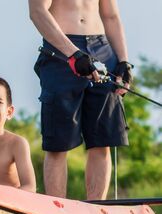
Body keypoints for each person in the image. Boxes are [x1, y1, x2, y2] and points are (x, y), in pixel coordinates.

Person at [29, 0, 133, 200]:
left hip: (102, 47)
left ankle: (95, 210)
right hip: (61, 47)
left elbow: (110, 16)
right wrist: (73, 54)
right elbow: (37, 12)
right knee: (58, 142)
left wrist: (123, 61)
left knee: (102, 140)